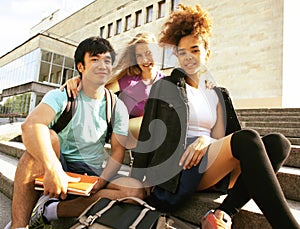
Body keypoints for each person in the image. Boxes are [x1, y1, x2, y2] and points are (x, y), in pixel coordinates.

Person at [130, 4, 300, 229]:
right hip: (180, 168)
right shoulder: (165, 86)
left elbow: (229, 138)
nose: (189, 57)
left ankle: (223, 212)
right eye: (182, 52)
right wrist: (137, 178)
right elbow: (148, 133)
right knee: (247, 138)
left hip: (211, 166)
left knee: (279, 144)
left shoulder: (219, 94)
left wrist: (207, 140)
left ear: (207, 53)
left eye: (195, 50)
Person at [7, 37, 144, 229]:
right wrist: (53, 168)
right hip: (59, 163)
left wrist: (102, 181)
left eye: (107, 61)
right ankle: (19, 225)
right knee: (46, 138)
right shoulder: (63, 94)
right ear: (81, 66)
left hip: (91, 171)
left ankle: (49, 211)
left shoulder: (116, 106)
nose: (103, 65)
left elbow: (118, 151)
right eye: (95, 60)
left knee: (135, 191)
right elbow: (30, 126)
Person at [63, 33, 165, 149]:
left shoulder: (165, 82)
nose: (145, 60)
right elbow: (99, 89)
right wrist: (79, 80)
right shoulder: (128, 80)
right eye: (139, 56)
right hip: (124, 130)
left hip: (150, 136)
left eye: (148, 53)